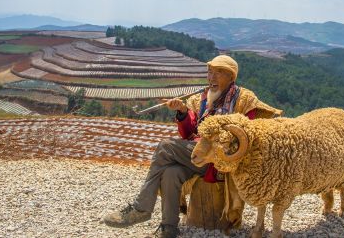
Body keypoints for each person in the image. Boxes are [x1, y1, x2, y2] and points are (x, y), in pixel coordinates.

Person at [103, 55, 282, 238]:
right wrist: (182, 112)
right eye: (209, 72)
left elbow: (247, 135)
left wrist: (218, 145)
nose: (211, 78)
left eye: (218, 73)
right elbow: (188, 133)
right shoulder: (201, 99)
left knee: (165, 147)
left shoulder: (244, 99)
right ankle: (169, 228)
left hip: (222, 160)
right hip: (197, 155)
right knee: (170, 173)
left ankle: (141, 208)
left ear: (231, 77)